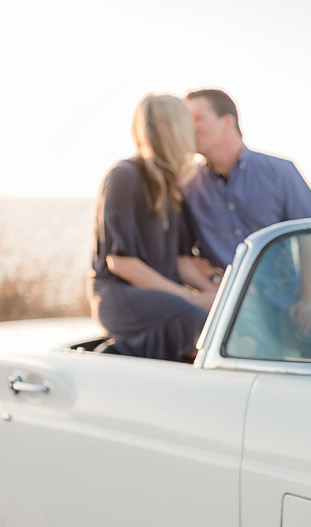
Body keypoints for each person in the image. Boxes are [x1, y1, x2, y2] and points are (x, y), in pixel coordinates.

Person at [183, 89, 311, 359]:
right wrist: (212, 286)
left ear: (227, 122)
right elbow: (184, 255)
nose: (188, 127)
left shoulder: (281, 171)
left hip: (288, 303)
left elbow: (308, 236)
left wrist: (307, 299)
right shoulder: (186, 186)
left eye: (196, 118)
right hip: (230, 309)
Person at [88, 94, 218, 361]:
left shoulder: (174, 186)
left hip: (163, 296)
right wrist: (190, 298)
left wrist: (213, 290)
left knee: (221, 315)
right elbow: (120, 262)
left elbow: (180, 259)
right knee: (202, 323)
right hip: (119, 297)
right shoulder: (124, 176)